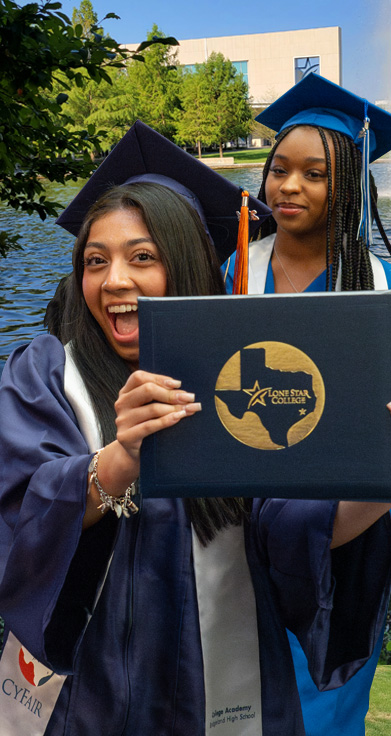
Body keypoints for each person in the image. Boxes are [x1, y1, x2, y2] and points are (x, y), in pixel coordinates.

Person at [0, 121, 390, 736]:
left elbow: (287, 526)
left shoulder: (240, 382)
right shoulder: (49, 373)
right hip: (90, 690)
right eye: (95, 261)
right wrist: (120, 459)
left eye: (143, 257)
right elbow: (20, 512)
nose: (115, 280)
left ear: (184, 265)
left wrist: (378, 477)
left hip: (224, 684)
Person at [224, 73, 391, 736]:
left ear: (346, 184)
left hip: (347, 523)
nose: (287, 186)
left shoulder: (377, 281)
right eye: (278, 169)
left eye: (314, 174)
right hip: (244, 511)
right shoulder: (234, 268)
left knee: (323, 691)